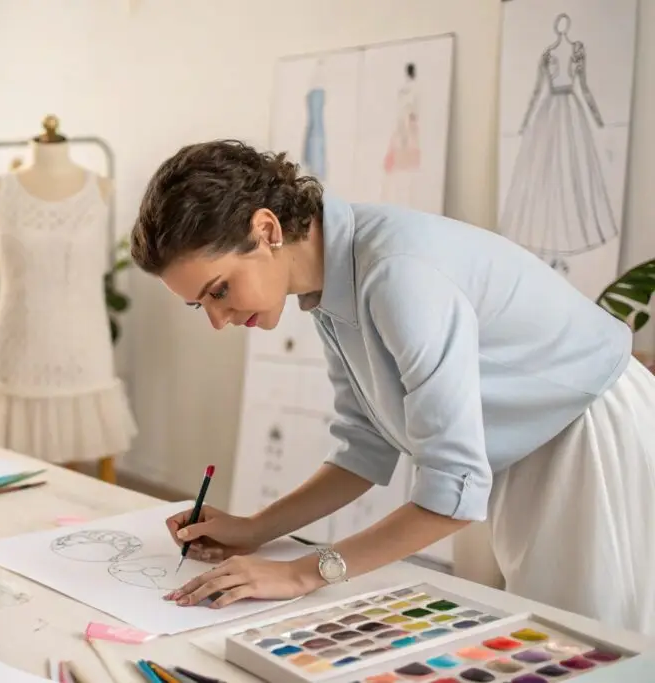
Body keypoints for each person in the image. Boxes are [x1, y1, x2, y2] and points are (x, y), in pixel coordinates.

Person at [129, 139, 655, 636]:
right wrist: (256, 528)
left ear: (266, 230)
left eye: (219, 290)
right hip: (541, 440)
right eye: (202, 305)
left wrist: (301, 573)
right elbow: (366, 443)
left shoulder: (395, 274)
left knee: (585, 647)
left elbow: (452, 490)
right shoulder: (331, 286)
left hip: (590, 432)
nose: (218, 320)